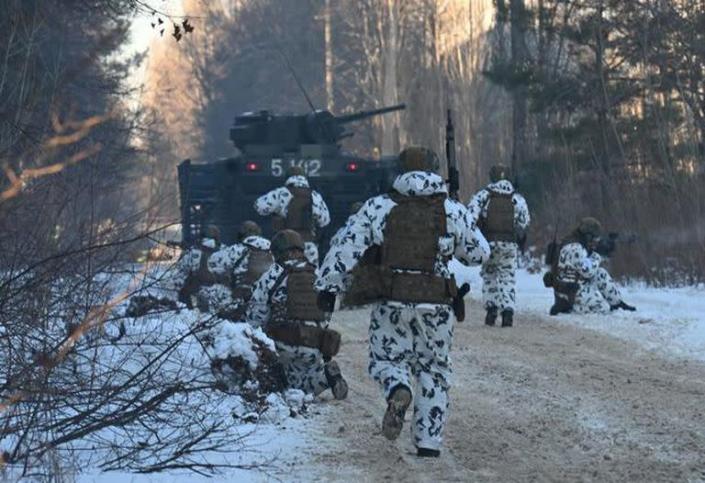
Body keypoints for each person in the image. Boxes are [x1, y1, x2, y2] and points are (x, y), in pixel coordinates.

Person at [315, 146, 490, 458]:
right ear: (435, 170)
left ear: (400, 170)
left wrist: (329, 286)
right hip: (436, 304)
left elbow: (345, 245)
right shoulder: (450, 209)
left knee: (386, 359)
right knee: (434, 369)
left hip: (392, 300)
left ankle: (398, 389)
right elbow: (479, 254)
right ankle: (428, 442)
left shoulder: (379, 206)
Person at [245, 229, 348, 399]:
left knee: (287, 388)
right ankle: (325, 378)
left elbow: (255, 317)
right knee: (307, 381)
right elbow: (326, 314)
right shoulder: (318, 275)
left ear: (278, 252)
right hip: (314, 345)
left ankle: (300, 384)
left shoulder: (273, 275)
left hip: (284, 346)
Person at [467, 165, 530, 327]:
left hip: (488, 243)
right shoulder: (517, 199)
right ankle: (507, 312)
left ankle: (491, 311)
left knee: (489, 275)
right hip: (509, 244)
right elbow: (524, 223)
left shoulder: (484, 195)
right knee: (507, 276)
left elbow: (470, 217)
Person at [547, 217, 636, 315]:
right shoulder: (575, 247)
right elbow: (587, 272)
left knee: (600, 272)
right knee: (603, 308)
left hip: (575, 284)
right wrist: (597, 255)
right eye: (595, 238)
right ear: (588, 236)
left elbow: (585, 264)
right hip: (569, 291)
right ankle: (569, 308)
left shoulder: (577, 242)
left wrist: (599, 251)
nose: (596, 241)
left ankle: (617, 303)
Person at [254, 166, 330, 265]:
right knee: (311, 276)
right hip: (308, 247)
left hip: (285, 246)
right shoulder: (315, 196)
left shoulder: (281, 193)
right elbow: (325, 221)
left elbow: (259, 206)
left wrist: (277, 211)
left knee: (283, 277)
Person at [211, 220, 274, 321]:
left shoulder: (234, 250)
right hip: (266, 309)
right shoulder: (274, 252)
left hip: (240, 306)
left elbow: (211, 268)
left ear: (241, 235)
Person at [175, 224, 228, 312]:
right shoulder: (225, 250)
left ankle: (188, 312)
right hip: (218, 285)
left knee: (183, 293)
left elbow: (182, 267)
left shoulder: (194, 250)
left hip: (197, 284)